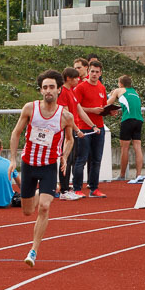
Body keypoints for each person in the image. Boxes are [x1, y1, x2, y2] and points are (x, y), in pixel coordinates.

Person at [8, 70, 75, 268]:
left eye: (52, 87)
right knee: (27, 211)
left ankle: (33, 250)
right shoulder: (30, 109)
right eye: (45, 87)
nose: (48, 91)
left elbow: (69, 140)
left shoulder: (65, 116)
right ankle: (38, 193)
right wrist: (12, 159)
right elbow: (16, 133)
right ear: (40, 90)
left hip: (48, 166)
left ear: (59, 90)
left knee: (45, 207)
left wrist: (64, 156)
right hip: (28, 164)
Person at [57, 67, 96, 199]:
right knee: (65, 158)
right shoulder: (62, 92)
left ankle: (66, 188)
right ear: (69, 78)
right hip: (64, 131)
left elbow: (79, 111)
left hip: (70, 131)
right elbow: (66, 115)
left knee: (71, 158)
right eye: (76, 78)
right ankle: (63, 190)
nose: (78, 80)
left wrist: (93, 125)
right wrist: (77, 129)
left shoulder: (72, 91)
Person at [73, 60, 108, 198]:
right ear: (88, 72)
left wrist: (109, 111)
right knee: (81, 159)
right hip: (84, 127)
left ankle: (94, 188)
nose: (94, 74)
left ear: (100, 73)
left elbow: (103, 106)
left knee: (97, 159)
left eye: (97, 72)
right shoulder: (81, 87)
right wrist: (92, 110)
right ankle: (77, 188)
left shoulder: (101, 87)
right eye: (92, 71)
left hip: (99, 127)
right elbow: (77, 108)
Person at [107, 75, 145, 181]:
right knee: (137, 147)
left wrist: (109, 96)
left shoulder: (119, 90)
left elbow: (107, 103)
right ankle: (138, 175)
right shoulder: (135, 92)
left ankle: (122, 175)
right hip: (139, 120)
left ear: (121, 83)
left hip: (127, 120)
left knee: (124, 148)